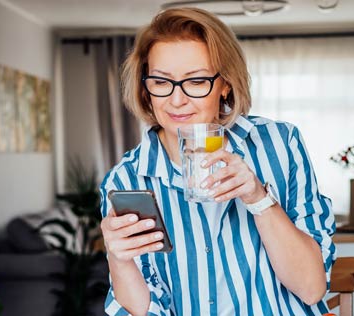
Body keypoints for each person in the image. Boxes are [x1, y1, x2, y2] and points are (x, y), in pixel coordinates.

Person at [99, 7, 336, 316]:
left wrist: (257, 197)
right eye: (161, 81)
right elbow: (144, 310)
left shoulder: (280, 144)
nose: (177, 99)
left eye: (196, 81)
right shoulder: (126, 181)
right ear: (146, 89)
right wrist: (119, 259)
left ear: (225, 83)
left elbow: (311, 287)